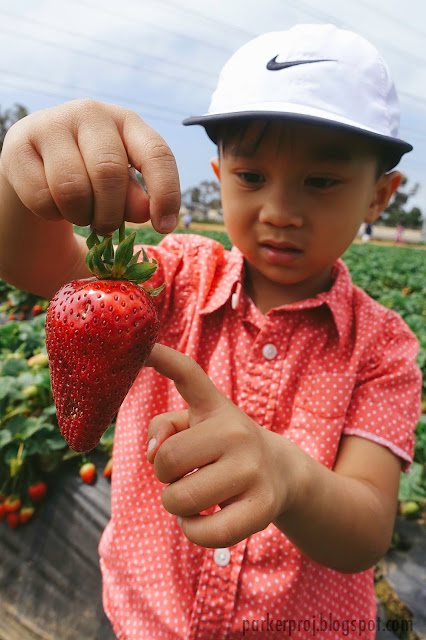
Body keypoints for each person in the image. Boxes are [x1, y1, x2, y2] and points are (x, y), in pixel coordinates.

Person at [0, 23, 421, 640]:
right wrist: (20, 172)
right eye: (252, 177)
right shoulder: (170, 275)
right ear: (220, 174)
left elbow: (367, 531)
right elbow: (29, 262)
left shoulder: (382, 347)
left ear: (380, 196)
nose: (279, 210)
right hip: (150, 619)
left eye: (322, 181)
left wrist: (293, 478)